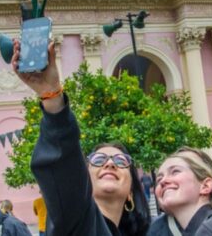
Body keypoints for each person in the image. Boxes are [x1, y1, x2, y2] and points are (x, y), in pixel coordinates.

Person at [12, 39, 150, 235]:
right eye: (99, 160)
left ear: (130, 193)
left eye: (120, 161)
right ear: (83, 181)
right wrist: (51, 96)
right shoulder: (76, 223)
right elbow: (63, 164)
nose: (109, 164)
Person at [147, 148, 212, 235]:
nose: (163, 181)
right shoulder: (156, 228)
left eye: (175, 171)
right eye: (159, 179)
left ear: (205, 185)